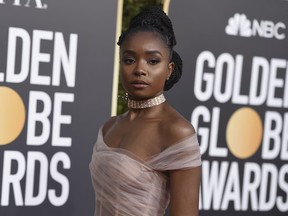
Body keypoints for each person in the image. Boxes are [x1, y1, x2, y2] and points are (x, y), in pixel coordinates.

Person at [90, 6, 201, 216]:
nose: (140, 69)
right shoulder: (109, 127)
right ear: (120, 63)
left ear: (169, 69)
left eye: (153, 61)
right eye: (130, 60)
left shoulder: (177, 131)